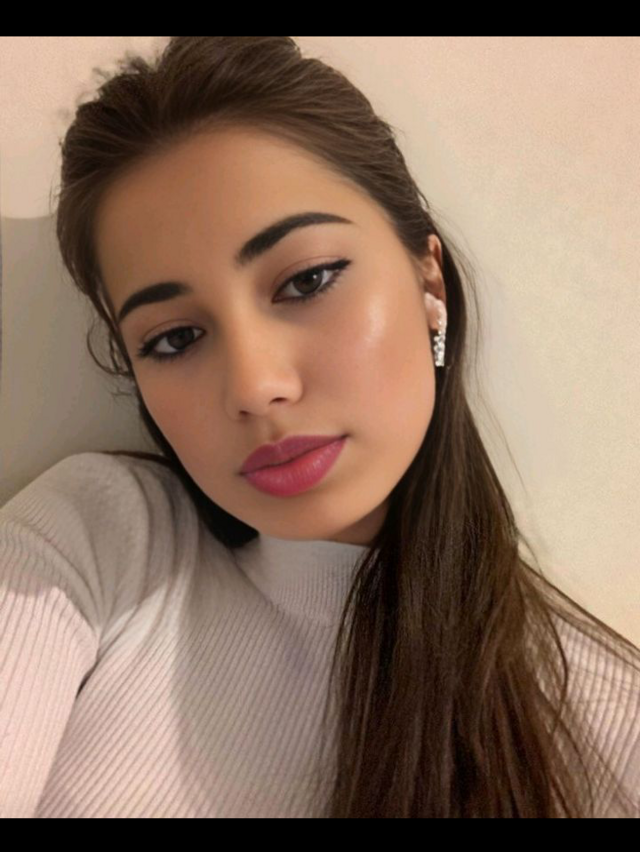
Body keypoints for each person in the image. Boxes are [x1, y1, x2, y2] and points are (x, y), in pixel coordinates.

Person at [1, 37, 638, 818]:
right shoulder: (95, 541)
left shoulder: (603, 727)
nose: (256, 386)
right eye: (174, 339)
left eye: (307, 281)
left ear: (429, 284)